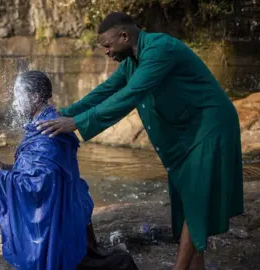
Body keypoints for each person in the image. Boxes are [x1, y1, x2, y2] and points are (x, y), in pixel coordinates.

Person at [36, 12, 244, 270]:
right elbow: (106, 91)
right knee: (187, 200)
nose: (107, 52)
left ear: (124, 36)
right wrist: (64, 113)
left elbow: (131, 94)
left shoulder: (160, 50)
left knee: (196, 200)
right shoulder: (133, 61)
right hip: (187, 131)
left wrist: (77, 123)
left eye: (108, 45)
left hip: (209, 127)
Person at [0, 70, 138, 270]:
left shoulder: (46, 132)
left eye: (18, 96)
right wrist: (5, 168)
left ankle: (121, 263)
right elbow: (40, 172)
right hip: (69, 207)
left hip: (60, 217)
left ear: (35, 97)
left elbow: (38, 184)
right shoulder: (50, 121)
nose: (14, 103)